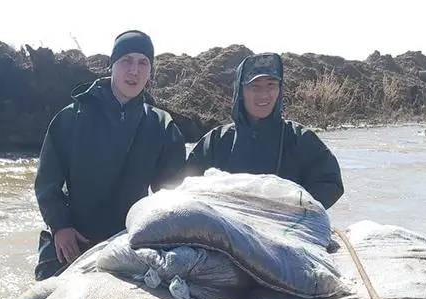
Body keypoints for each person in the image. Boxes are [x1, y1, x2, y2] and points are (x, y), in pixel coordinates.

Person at [32, 30, 187, 281]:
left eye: (143, 62)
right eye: (126, 60)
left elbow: (171, 196)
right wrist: (60, 226)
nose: (134, 71)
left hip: (130, 242)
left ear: (150, 71)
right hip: (74, 239)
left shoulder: (162, 126)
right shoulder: (71, 118)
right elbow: (47, 183)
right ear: (111, 65)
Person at [183, 52, 344, 209]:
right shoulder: (215, 142)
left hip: (284, 224)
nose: (264, 94)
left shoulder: (300, 139)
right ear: (240, 92)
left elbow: (330, 183)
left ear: (279, 90)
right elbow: (186, 187)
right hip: (225, 225)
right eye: (255, 87)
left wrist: (294, 207)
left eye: (271, 85)